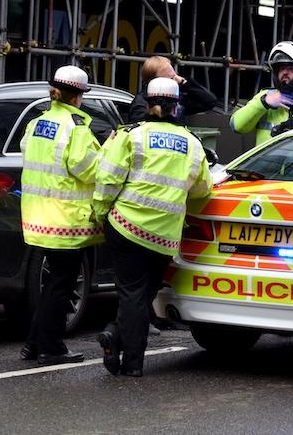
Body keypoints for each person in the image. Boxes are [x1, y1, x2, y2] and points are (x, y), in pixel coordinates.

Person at [93, 77, 213, 377]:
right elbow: (202, 190)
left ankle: (130, 360)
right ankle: (118, 340)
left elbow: (107, 179)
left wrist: (100, 213)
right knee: (144, 294)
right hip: (164, 237)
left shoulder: (130, 136)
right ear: (177, 107)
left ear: (147, 104)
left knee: (131, 293)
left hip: (126, 226)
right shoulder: (192, 144)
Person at [19, 65, 102, 365]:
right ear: (78, 96)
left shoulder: (37, 123)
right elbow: (89, 169)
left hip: (39, 217)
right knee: (60, 286)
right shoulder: (76, 128)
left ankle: (33, 345)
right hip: (66, 220)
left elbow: (29, 154)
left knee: (54, 283)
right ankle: (50, 348)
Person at [127, 55, 218, 124]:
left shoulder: (175, 99)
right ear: (153, 81)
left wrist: (184, 83)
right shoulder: (141, 102)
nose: (174, 82)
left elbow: (210, 101)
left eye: (175, 77)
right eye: (170, 79)